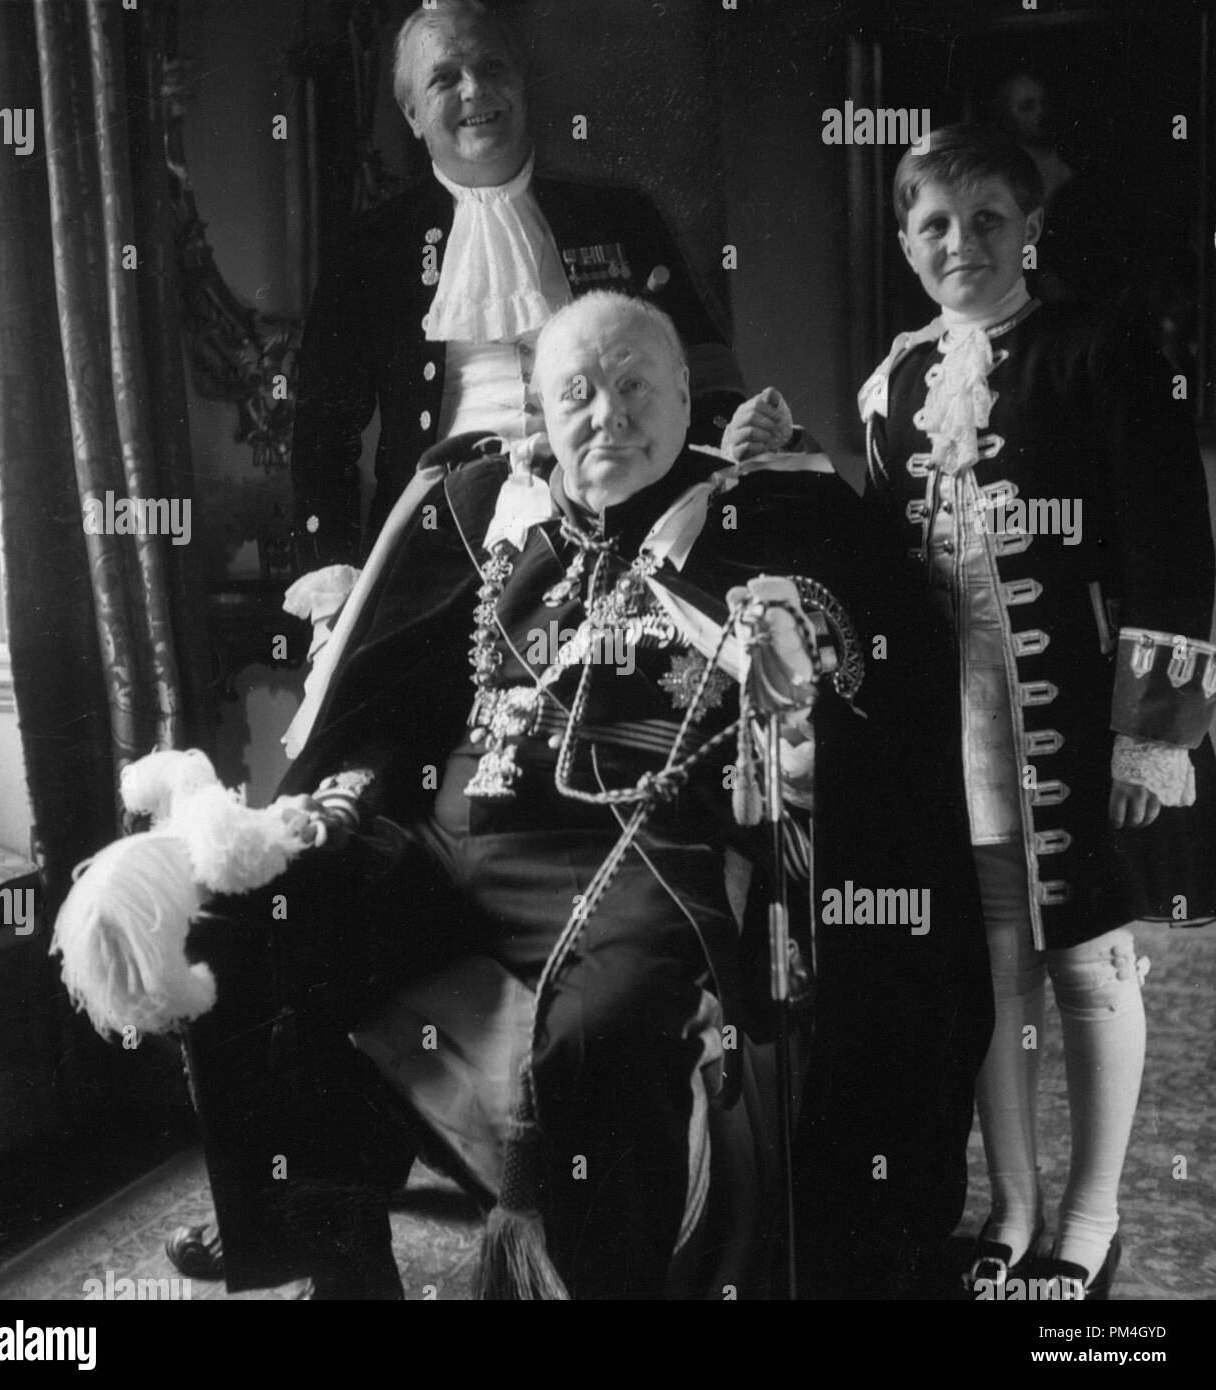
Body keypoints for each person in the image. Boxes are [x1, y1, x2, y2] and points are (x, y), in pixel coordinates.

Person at [172, 288, 944, 1299]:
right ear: (541, 411)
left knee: (601, 1037)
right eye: (576, 393)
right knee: (239, 916)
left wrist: (799, 728)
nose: (607, 416)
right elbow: (395, 694)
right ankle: (334, 1250)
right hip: (452, 844)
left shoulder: (759, 520)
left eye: (633, 387)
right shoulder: (491, 515)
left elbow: (843, 706)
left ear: (685, 397)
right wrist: (342, 798)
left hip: (637, 860)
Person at [850, 125, 1213, 1298]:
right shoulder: (894, 382)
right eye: (933, 224)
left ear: (1029, 228)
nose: (960, 242)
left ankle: (1090, 1219)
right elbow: (874, 560)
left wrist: (1150, 732)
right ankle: (1008, 1209)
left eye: (987, 220)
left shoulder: (1094, 347)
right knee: (990, 966)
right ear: (905, 244)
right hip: (950, 729)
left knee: (1089, 961)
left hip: (1075, 721)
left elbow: (1168, 540)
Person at [288, 0, 743, 570]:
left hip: (617, 527)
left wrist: (733, 438)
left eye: (492, 67)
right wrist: (330, 573)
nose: (475, 90)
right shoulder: (371, 247)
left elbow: (704, 371)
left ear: (521, 80)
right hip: (440, 548)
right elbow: (323, 433)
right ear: (412, 113)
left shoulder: (622, 217)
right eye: (444, 78)